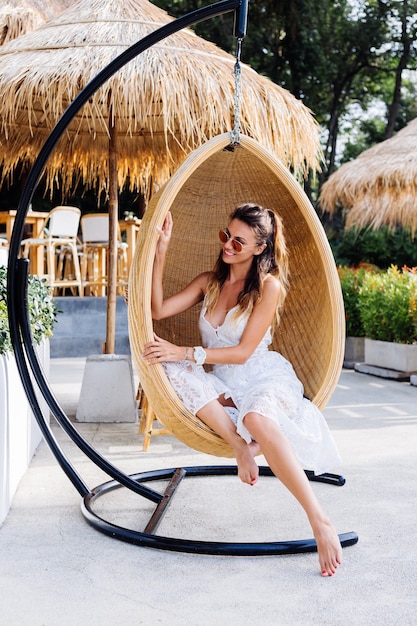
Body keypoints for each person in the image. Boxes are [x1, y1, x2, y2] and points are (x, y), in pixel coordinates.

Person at [142, 203, 343, 576]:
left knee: (255, 416)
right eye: (226, 236)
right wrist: (162, 250)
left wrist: (187, 351)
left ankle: (319, 520)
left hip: (263, 376)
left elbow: (243, 352)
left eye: (239, 241)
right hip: (222, 384)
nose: (228, 245)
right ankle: (240, 446)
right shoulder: (209, 281)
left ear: (259, 248)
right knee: (166, 363)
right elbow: (156, 310)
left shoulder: (269, 287)